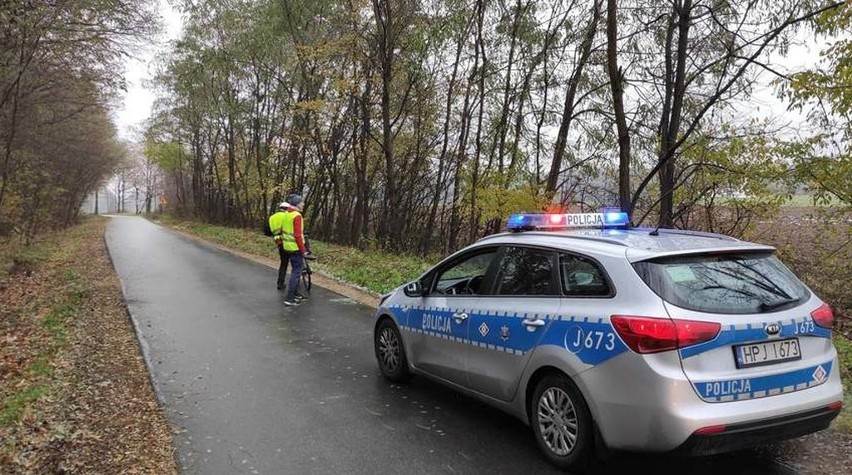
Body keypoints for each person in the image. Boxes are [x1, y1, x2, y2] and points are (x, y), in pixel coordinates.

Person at [279, 194, 309, 306]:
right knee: (296, 273)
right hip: (295, 248)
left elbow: (284, 229)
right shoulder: (297, 216)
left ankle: (295, 294)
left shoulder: (287, 213)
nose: (303, 204)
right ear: (297, 203)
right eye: (301, 202)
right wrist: (303, 250)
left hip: (287, 246)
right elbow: (297, 235)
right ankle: (290, 298)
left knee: (295, 271)